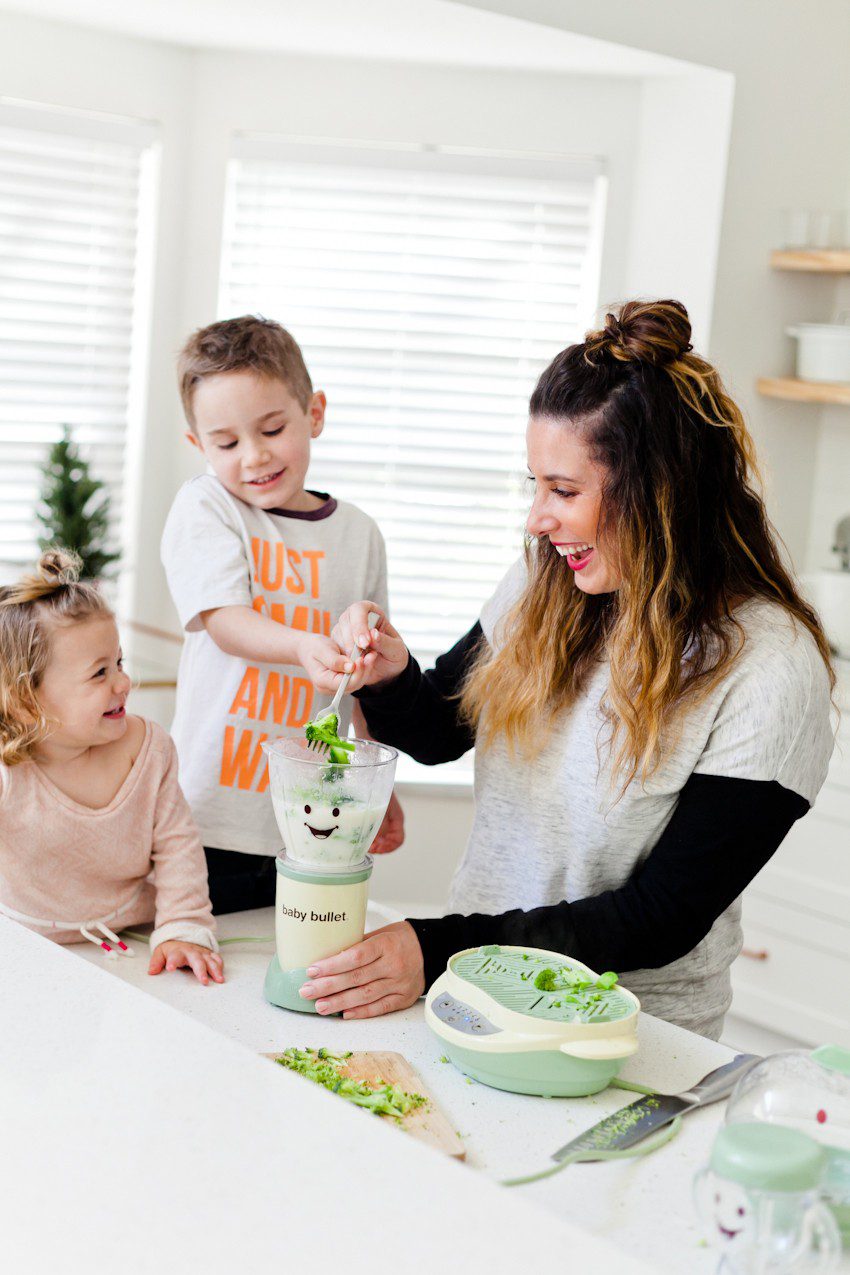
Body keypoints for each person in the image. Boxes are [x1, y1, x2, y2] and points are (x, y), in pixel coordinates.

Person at [299, 299, 835, 1038]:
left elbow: (664, 915)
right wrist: (390, 675)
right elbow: (439, 731)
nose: (537, 519)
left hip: (626, 1038)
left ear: (660, 490)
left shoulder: (771, 669)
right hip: (471, 998)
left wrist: (435, 947)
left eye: (564, 490)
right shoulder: (543, 584)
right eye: (536, 484)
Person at [161, 315, 404, 913]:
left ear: (314, 413)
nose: (254, 455)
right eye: (226, 444)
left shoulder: (359, 534)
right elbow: (224, 620)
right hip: (208, 815)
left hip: (313, 817)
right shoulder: (207, 506)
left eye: (272, 429)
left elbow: (364, 674)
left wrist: (377, 779)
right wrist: (301, 645)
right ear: (198, 446)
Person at [0, 550, 223, 984]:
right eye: (99, 673)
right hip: (24, 949)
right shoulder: (9, 771)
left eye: (118, 662)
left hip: (127, 944)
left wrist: (183, 927)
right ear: (27, 702)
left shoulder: (150, 750)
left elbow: (178, 847)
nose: (123, 682)